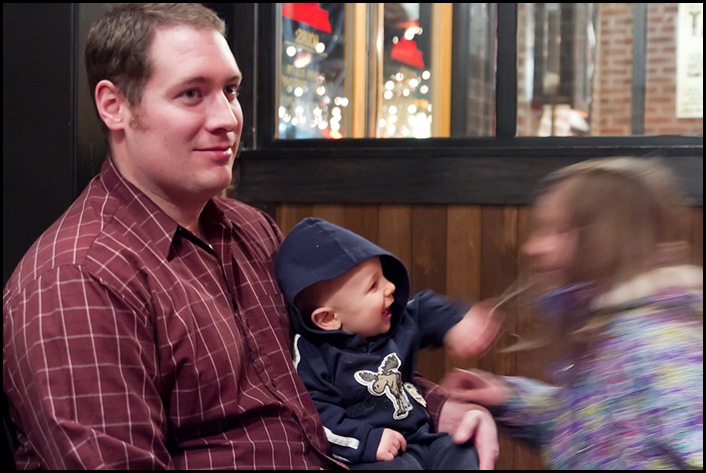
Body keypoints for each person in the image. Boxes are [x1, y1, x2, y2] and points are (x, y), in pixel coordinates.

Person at [2, 4, 499, 470]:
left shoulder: (252, 230)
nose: (227, 119)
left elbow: (339, 363)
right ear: (114, 106)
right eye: (192, 93)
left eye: (231, 91)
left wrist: (439, 407)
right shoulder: (76, 279)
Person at [440, 157, 703, 470]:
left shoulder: (662, 348)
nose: (533, 247)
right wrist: (509, 398)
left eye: (556, 230)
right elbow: (596, 425)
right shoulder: (608, 328)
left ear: (606, 240)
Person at [275, 218, 501, 470]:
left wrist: (457, 322)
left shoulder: (396, 323)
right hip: (372, 455)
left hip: (422, 438)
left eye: (384, 276)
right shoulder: (313, 355)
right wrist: (367, 441)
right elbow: (317, 418)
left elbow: (423, 309)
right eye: (373, 285)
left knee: (460, 449)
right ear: (328, 318)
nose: (390, 287)